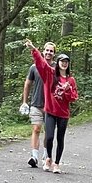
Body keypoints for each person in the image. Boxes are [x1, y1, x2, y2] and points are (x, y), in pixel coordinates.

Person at [25, 40, 78, 174]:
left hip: (63, 114)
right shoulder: (50, 74)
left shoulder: (71, 80)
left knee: (60, 139)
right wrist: (33, 49)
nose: (64, 64)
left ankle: (56, 163)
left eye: (66, 62)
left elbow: (73, 97)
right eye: (62, 61)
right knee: (49, 137)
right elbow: (41, 63)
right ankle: (48, 157)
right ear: (58, 62)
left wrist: (67, 90)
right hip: (50, 111)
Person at [20, 41, 56, 168]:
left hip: (51, 106)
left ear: (54, 54)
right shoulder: (34, 67)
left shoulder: (56, 68)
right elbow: (27, 84)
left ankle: (46, 155)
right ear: (43, 51)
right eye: (47, 50)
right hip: (36, 103)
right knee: (36, 128)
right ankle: (34, 156)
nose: (49, 53)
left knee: (48, 132)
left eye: (51, 51)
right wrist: (25, 102)